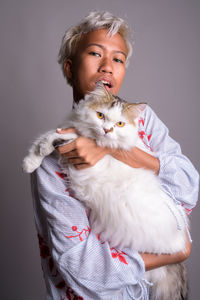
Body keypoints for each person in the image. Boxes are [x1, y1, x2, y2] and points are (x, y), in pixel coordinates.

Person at [31, 11, 199, 299]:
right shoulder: (54, 160)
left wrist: (115, 150)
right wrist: (174, 253)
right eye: (96, 53)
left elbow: (188, 188)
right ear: (70, 68)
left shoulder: (143, 120)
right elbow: (81, 267)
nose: (107, 66)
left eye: (118, 59)